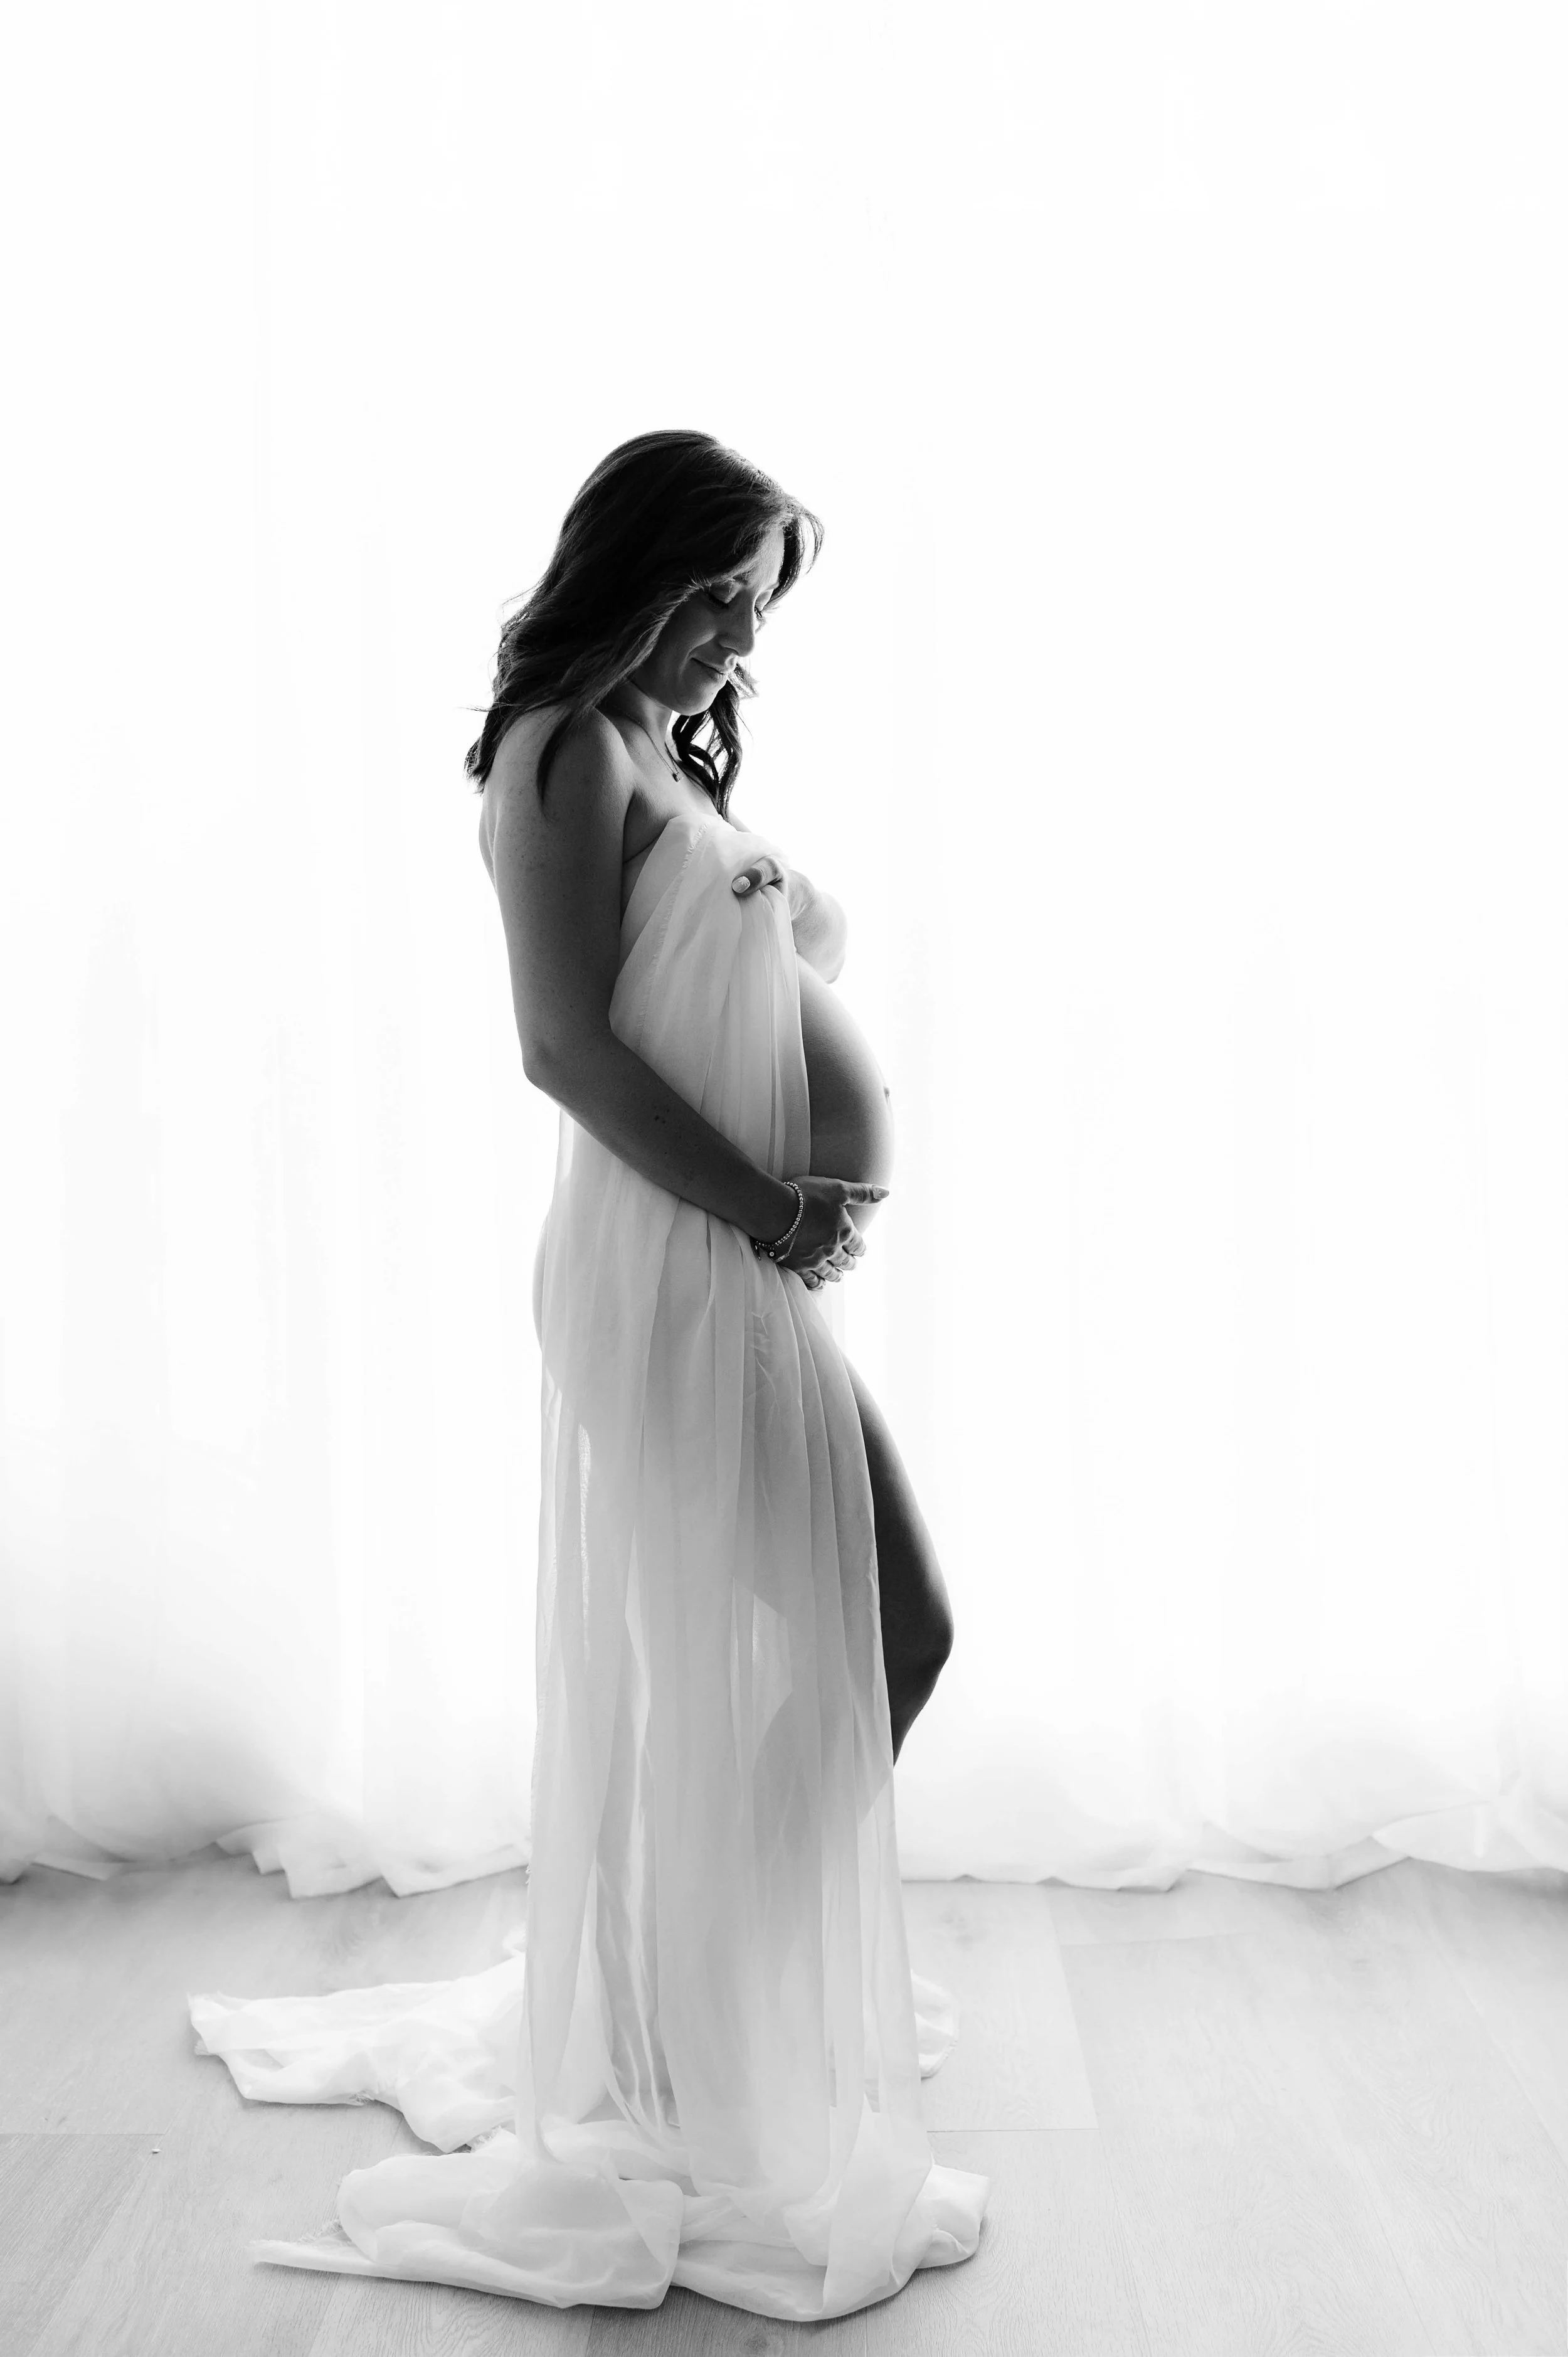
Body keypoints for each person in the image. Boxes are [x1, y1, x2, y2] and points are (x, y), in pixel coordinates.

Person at [189, 430, 988, 2321]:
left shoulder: (646, 752)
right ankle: (677, 2020)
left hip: (726, 1261)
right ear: (632, 567)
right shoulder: (559, 754)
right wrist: (771, 1210)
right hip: (673, 1266)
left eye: (759, 606)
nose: (735, 637)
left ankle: (699, 1989)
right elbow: (559, 1047)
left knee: (882, 1630)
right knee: (851, 1635)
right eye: (714, 592)